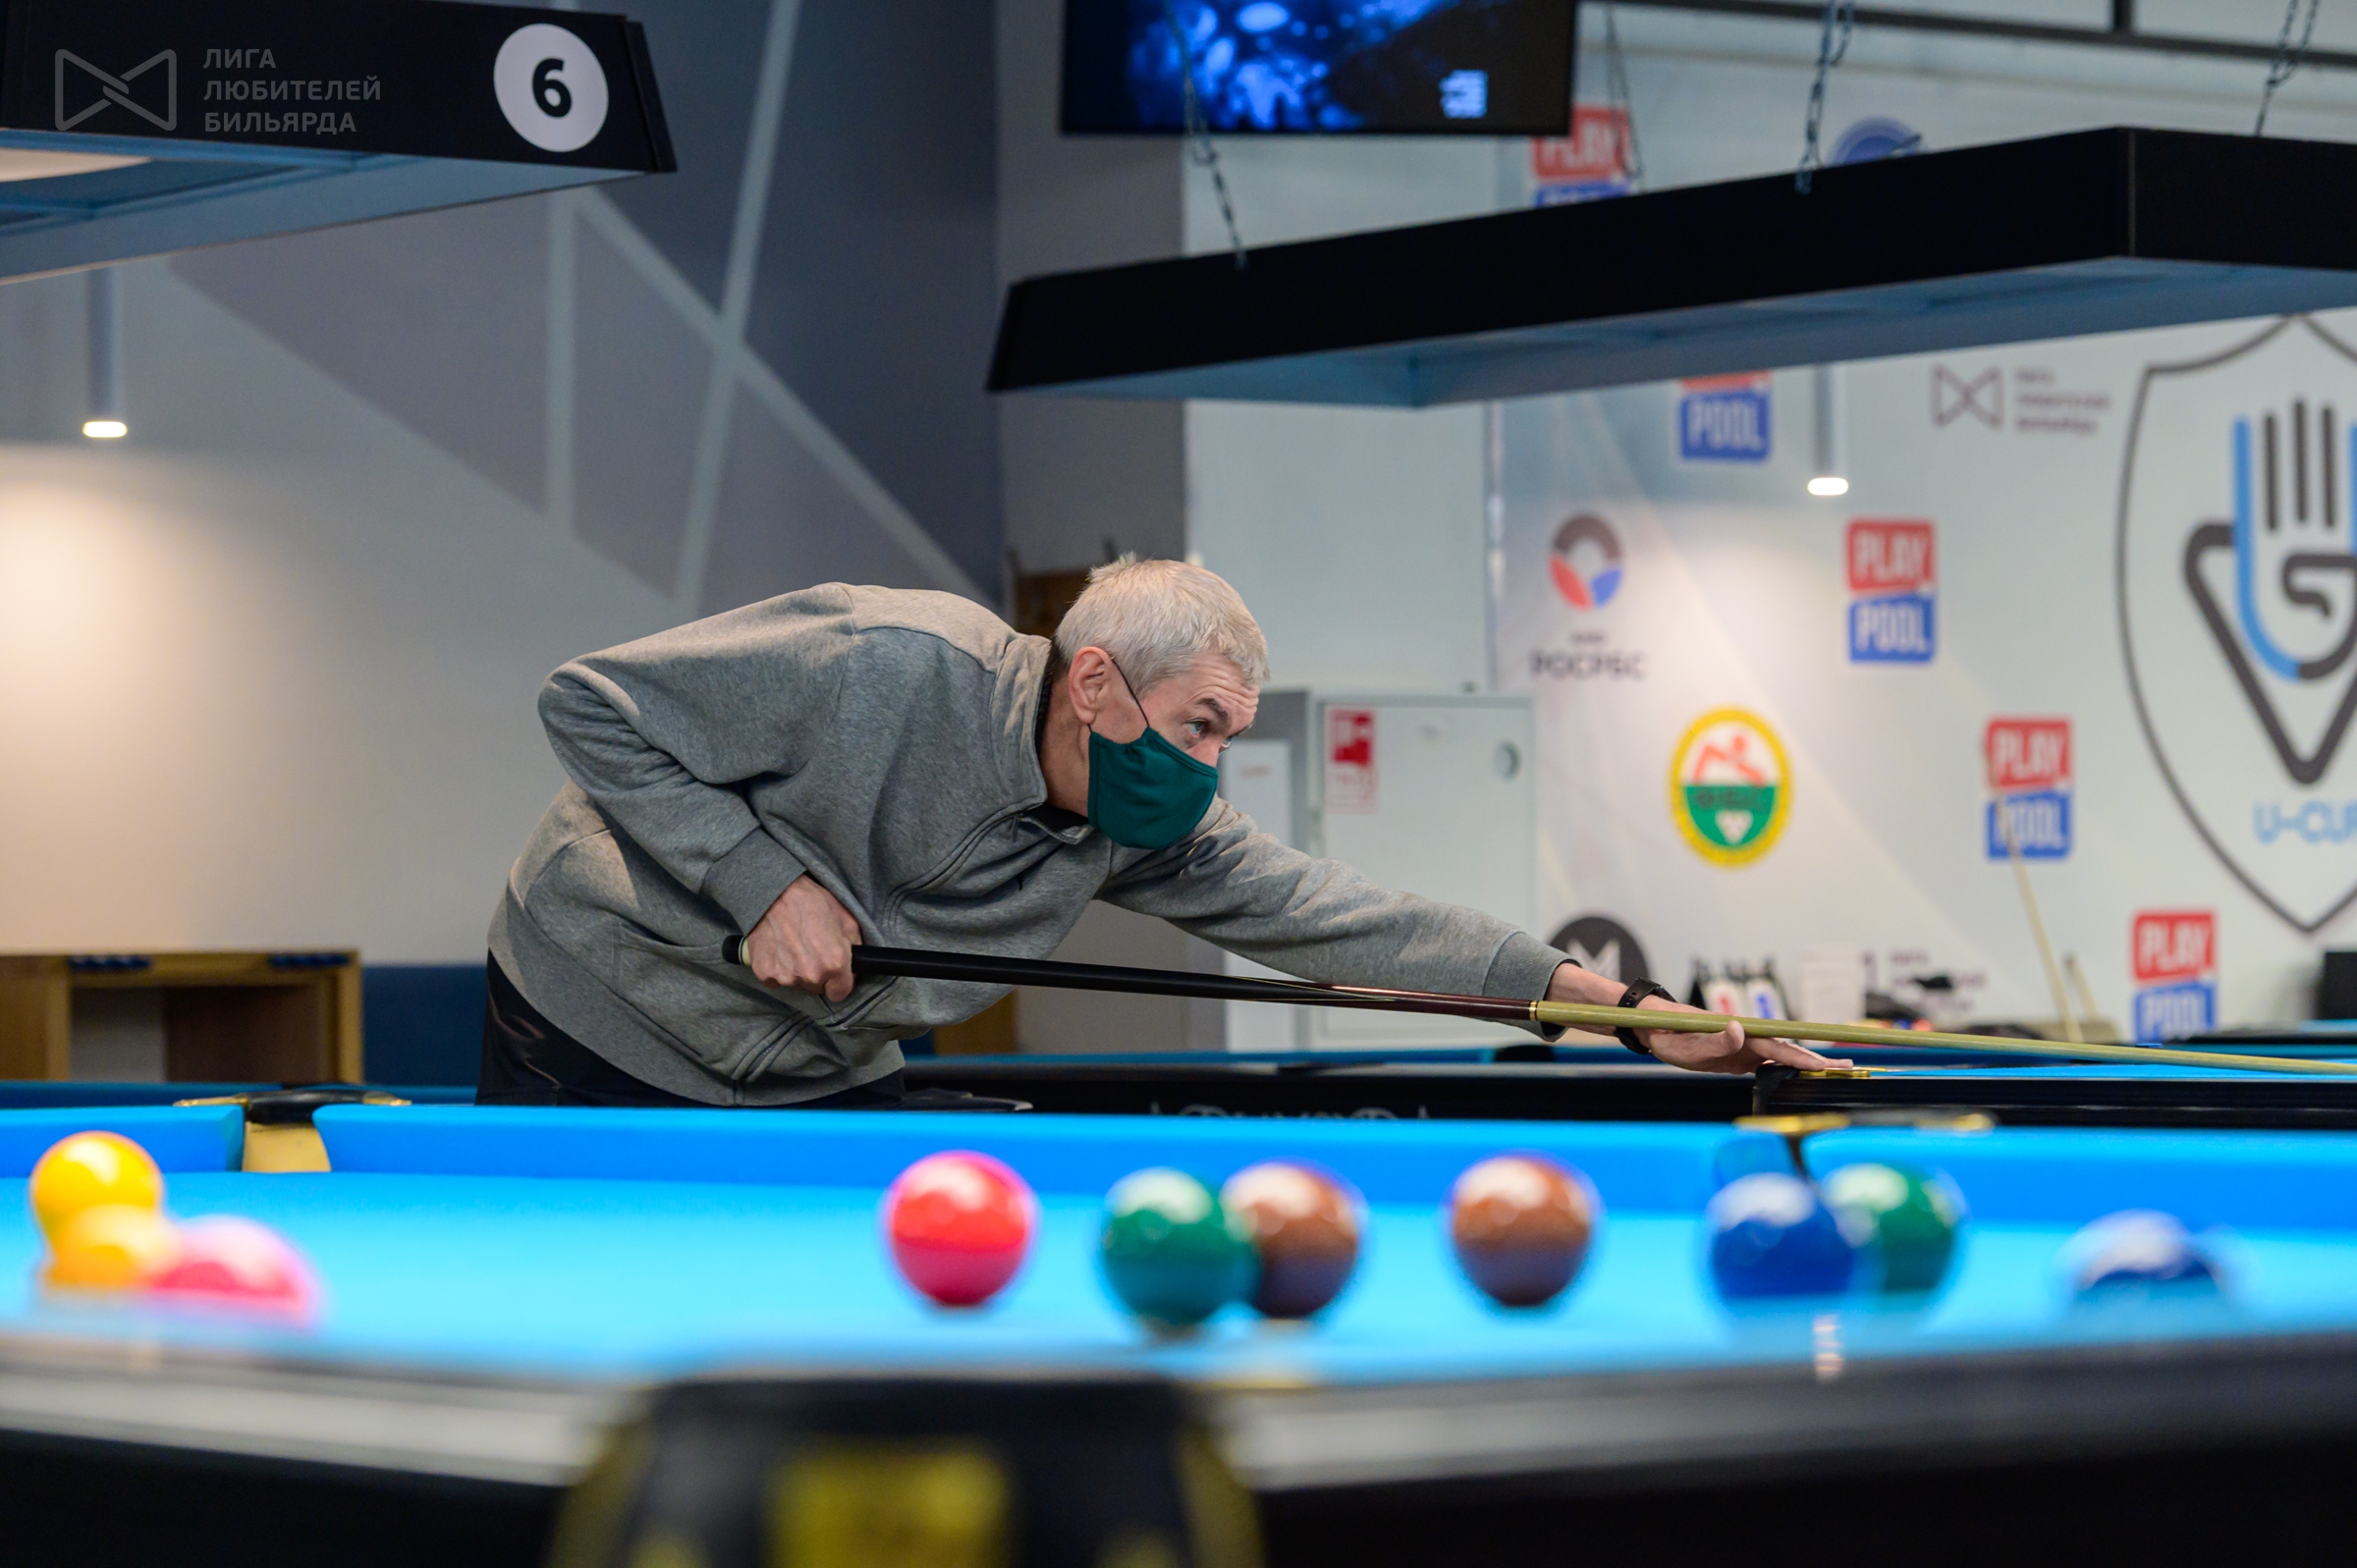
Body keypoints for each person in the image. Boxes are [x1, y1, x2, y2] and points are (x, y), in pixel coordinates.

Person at [481, 559, 1845, 1106]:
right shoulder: (886, 660)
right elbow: (588, 703)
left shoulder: (1145, 830)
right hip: (597, 998)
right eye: (1197, 726)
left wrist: (1627, 1013)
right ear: (1094, 682)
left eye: (1226, 738)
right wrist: (761, 879)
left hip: (799, 1063)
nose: (1206, 770)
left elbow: (1350, 922)